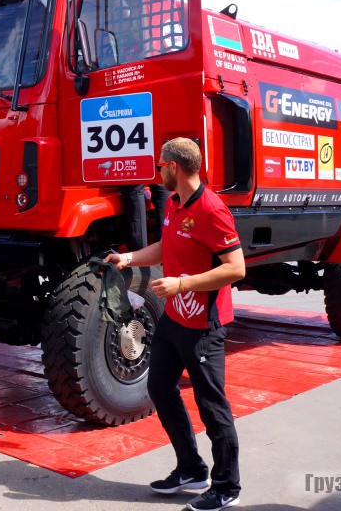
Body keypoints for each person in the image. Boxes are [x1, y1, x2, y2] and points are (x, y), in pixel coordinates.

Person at [106, 138, 245, 511]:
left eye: (159, 166)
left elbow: (236, 268)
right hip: (175, 317)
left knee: (212, 405)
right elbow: (166, 248)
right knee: (159, 387)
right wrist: (129, 258)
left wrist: (181, 283)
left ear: (174, 167)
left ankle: (227, 486)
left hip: (203, 324)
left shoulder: (212, 210)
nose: (157, 172)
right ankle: (191, 468)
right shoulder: (174, 204)